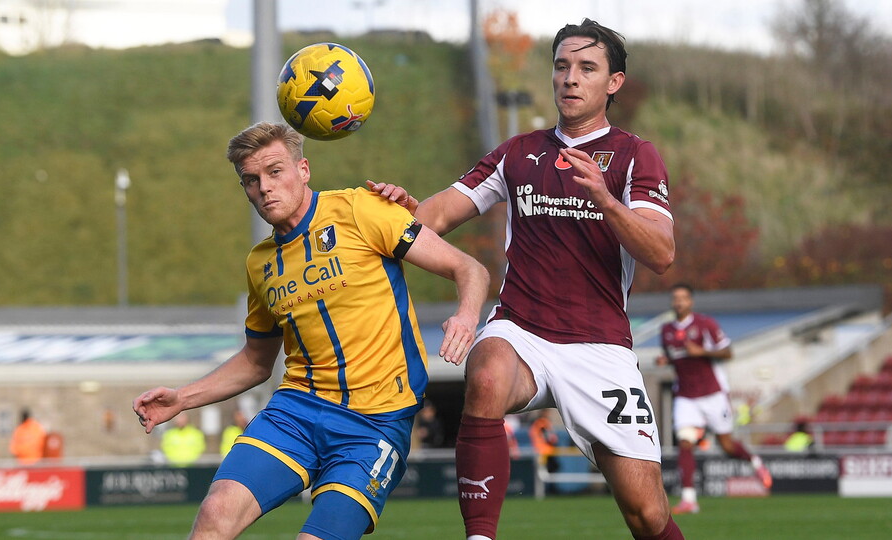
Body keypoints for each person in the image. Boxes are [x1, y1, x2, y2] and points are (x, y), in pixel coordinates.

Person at [371, 18, 683, 540]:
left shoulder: (635, 154)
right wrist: (398, 213)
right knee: (486, 374)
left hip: (600, 346)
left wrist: (605, 200)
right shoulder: (519, 152)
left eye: (587, 68)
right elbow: (439, 215)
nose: (570, 78)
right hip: (523, 329)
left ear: (614, 83)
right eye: (561, 66)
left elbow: (662, 253)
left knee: (647, 515)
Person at [133, 122, 490, 540]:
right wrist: (181, 399)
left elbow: (469, 268)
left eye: (274, 171)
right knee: (215, 514)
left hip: (374, 423)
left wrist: (466, 316)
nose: (264, 187)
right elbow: (255, 362)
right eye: (251, 180)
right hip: (295, 414)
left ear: (303, 170)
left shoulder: (361, 208)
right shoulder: (260, 263)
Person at [656, 283, 772, 515]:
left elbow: (728, 352)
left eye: (683, 298)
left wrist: (702, 352)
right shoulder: (666, 330)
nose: (679, 302)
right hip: (686, 396)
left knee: (726, 445)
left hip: (712, 393)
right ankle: (690, 499)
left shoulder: (705, 324)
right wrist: (665, 361)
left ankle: (755, 462)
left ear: (691, 302)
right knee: (685, 443)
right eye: (675, 298)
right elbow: (676, 357)